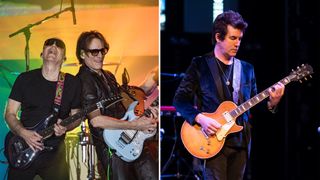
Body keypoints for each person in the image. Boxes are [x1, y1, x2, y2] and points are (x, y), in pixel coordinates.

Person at [173, 10, 285, 180]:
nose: (238, 43)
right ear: (218, 37)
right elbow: (179, 100)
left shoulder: (247, 69)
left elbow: (254, 106)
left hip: (240, 142)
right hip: (211, 142)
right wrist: (200, 118)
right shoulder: (200, 65)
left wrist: (272, 103)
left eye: (240, 39)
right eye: (233, 38)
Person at [75, 30, 158, 180]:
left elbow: (124, 104)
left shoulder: (108, 76)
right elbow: (96, 120)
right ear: (82, 54)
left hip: (132, 137)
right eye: (94, 52)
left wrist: (143, 113)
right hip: (111, 147)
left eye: (102, 50)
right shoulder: (83, 80)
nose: (100, 55)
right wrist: (136, 126)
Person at [4, 38, 81, 179]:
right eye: (49, 44)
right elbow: (9, 113)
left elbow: (77, 116)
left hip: (54, 154)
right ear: (42, 53)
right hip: (23, 147)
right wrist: (23, 133)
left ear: (64, 58)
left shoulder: (72, 83)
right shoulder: (24, 79)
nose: (53, 46)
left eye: (59, 45)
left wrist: (66, 127)